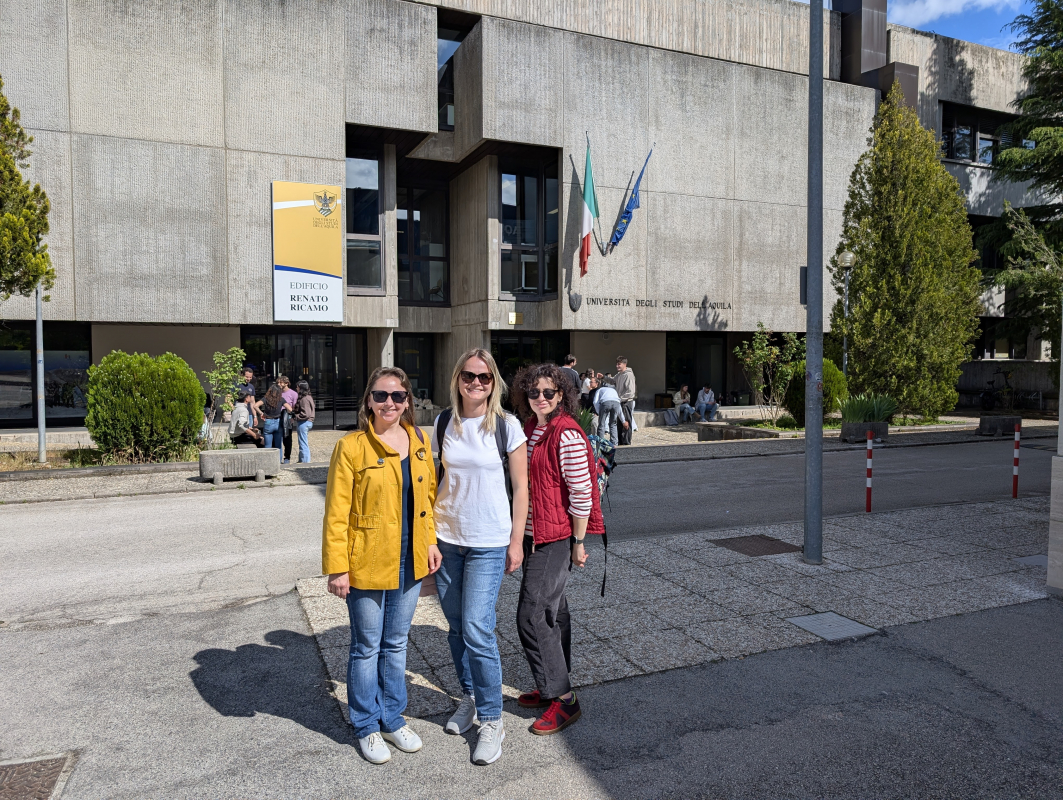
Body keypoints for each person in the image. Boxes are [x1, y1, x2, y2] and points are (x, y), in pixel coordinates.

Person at [322, 367, 442, 765]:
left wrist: (431, 545)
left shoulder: (419, 440)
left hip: (410, 558)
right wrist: (338, 567)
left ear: (408, 400)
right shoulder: (352, 447)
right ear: (368, 401)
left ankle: (392, 716)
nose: (389, 403)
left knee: (396, 643)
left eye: (398, 396)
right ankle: (366, 725)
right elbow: (336, 513)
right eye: (380, 395)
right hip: (367, 558)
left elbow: (428, 500)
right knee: (366, 645)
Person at [431, 348, 530, 765]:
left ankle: (492, 719)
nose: (476, 383)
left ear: (494, 382)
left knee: (477, 627)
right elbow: (433, 481)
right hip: (447, 537)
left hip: (489, 540)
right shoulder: (441, 423)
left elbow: (521, 488)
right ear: (457, 379)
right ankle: (470, 697)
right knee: (455, 626)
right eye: (469, 376)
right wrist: (428, 539)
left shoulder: (507, 426)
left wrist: (516, 541)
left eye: (485, 377)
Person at [510, 363, 605, 735]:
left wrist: (578, 543)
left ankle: (563, 699)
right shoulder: (532, 428)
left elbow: (582, 492)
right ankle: (554, 683)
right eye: (533, 393)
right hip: (536, 533)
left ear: (562, 394)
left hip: (557, 536)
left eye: (548, 393)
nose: (540, 399)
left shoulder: (565, 434)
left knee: (532, 615)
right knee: (554, 611)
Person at [257, 383, 291, 451]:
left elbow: (255, 405)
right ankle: (279, 460)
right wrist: (285, 412)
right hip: (278, 422)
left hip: (268, 421)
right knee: (278, 446)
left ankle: (268, 460)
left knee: (267, 445)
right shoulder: (281, 399)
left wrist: (261, 413)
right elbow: (290, 409)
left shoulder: (266, 398)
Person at [591, 379, 624, 443]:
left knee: (601, 423)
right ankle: (614, 442)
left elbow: (595, 402)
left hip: (605, 402)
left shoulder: (600, 390)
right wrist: (623, 420)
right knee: (613, 423)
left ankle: (601, 442)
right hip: (616, 403)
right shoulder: (614, 390)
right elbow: (619, 407)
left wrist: (598, 412)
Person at [293, 380, 315, 462]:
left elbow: (306, 414)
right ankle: (302, 460)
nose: (296, 388)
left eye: (297, 387)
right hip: (307, 422)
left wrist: (295, 416)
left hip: (304, 422)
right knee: (303, 442)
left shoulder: (304, 399)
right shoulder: (309, 397)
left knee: (303, 443)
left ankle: (305, 462)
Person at [278, 376, 298, 464]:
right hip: (278, 416)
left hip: (287, 417)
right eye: (278, 382)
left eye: (280, 382)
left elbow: (294, 407)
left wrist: (292, 418)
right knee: (278, 438)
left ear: (286, 383)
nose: (279, 384)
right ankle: (278, 457)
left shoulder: (293, 394)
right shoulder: (277, 393)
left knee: (287, 438)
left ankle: (287, 457)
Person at [615, 357, 637, 434]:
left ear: (625, 364)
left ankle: (626, 444)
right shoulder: (619, 375)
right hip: (620, 402)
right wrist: (604, 377)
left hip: (626, 402)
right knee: (620, 425)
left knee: (626, 425)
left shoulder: (628, 375)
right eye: (616, 364)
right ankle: (621, 443)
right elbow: (613, 380)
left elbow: (630, 392)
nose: (617, 366)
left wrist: (620, 399)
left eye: (619, 364)